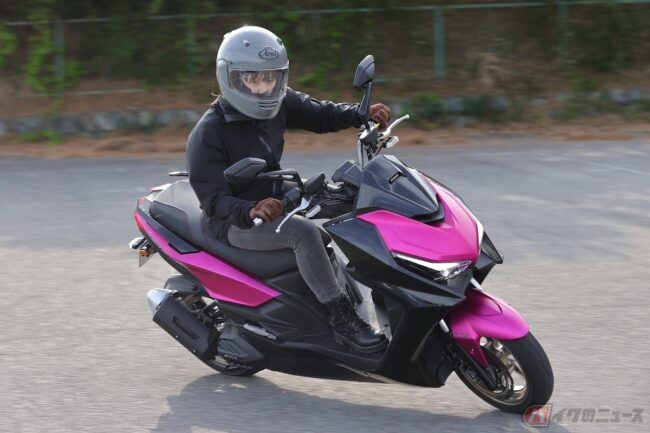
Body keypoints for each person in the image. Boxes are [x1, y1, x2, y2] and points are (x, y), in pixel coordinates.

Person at [186, 26, 390, 353]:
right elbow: (213, 200)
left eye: (271, 78)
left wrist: (358, 114)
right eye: (253, 79)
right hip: (235, 221)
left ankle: (382, 288)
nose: (263, 87)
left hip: (275, 198)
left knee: (347, 199)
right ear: (231, 78)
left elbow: (319, 113)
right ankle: (342, 320)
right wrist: (249, 210)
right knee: (304, 234)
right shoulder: (209, 133)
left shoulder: (278, 101)